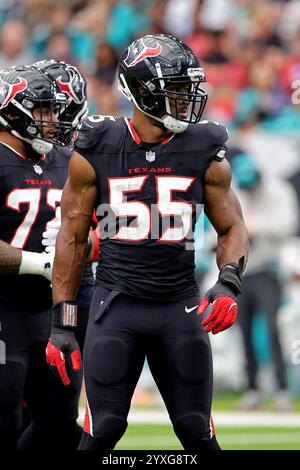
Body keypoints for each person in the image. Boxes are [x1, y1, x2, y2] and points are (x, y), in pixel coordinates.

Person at [47, 34, 249, 451]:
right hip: (116, 306)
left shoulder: (203, 146)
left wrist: (228, 279)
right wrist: (62, 322)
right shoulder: (98, 145)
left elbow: (233, 227)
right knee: (103, 429)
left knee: (196, 428)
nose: (187, 100)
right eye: (175, 91)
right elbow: (71, 236)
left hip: (181, 306)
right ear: (142, 93)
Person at [0, 63, 90, 450]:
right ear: (11, 110)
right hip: (4, 307)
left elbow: (93, 228)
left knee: (59, 421)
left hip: (52, 312)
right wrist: (42, 263)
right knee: (5, 414)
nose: (53, 120)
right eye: (43, 111)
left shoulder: (66, 160)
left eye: (54, 111)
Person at [229, 151, 298, 410]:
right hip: (243, 270)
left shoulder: (279, 191)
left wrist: (257, 230)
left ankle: (280, 389)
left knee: (272, 330)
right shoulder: (240, 193)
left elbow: (287, 225)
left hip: (269, 269)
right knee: (243, 330)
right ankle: (253, 388)